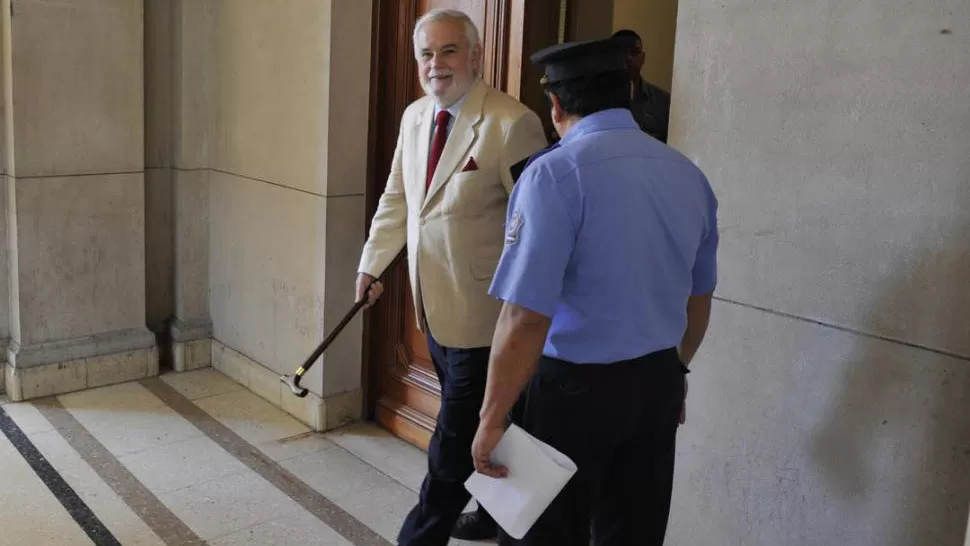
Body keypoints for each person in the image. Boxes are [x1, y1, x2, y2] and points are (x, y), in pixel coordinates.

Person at [470, 37, 719, 545]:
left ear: (556, 104)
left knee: (546, 534)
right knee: (633, 531)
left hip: (571, 396)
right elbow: (699, 297)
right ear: (630, 91)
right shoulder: (687, 175)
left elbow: (525, 318)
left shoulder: (553, 175)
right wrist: (675, 368)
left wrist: (492, 418)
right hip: (656, 385)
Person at [355, 8, 548, 545]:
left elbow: (538, 231)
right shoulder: (416, 117)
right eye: (425, 53)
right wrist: (373, 263)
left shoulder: (512, 124)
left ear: (476, 55)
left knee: (453, 438)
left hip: (488, 318)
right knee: (491, 423)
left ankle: (420, 535)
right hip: (433, 311)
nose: (435, 64)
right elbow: (398, 199)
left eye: (448, 51)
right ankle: (494, 516)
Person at [612, 29, 671, 142]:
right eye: (621, 52)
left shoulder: (663, 101)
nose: (628, 58)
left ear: (643, 58)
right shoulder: (597, 102)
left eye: (634, 52)